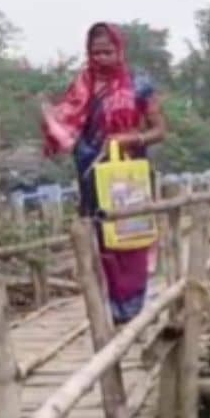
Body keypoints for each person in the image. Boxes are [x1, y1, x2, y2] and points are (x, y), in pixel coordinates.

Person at [41, 22, 167, 324]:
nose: (101, 58)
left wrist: (130, 138)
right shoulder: (82, 86)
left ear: (119, 50)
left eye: (107, 52)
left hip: (129, 175)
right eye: (95, 52)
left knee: (132, 236)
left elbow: (160, 130)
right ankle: (109, 308)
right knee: (102, 238)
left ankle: (133, 306)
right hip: (93, 175)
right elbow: (66, 126)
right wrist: (50, 120)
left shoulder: (139, 83)